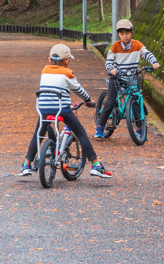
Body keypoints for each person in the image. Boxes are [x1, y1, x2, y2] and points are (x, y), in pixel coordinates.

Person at [19, 44, 112, 179]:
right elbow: (78, 90)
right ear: (67, 61)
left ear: (50, 60)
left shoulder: (44, 71)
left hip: (43, 109)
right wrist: (89, 100)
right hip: (62, 110)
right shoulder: (67, 72)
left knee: (38, 134)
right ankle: (96, 165)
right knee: (80, 133)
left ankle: (26, 165)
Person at [95, 19, 161, 139]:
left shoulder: (137, 44)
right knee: (110, 102)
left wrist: (154, 62)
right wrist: (112, 70)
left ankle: (140, 130)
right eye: (122, 33)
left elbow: (147, 53)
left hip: (131, 76)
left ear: (132, 33)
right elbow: (108, 62)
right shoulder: (115, 46)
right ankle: (100, 127)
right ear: (118, 35)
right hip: (117, 76)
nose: (125, 36)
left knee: (135, 101)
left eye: (127, 33)